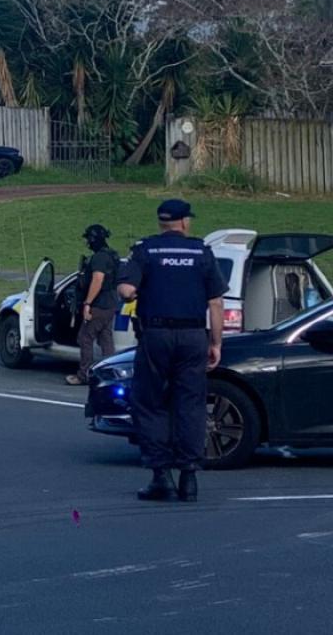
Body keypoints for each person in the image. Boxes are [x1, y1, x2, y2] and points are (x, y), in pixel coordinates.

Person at [117, 200, 227, 503]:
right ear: (184, 222)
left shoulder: (146, 249)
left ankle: (161, 477)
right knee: (190, 404)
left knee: (151, 403)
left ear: (161, 222)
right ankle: (189, 477)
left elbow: (126, 289)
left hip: (156, 335)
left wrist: (131, 290)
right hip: (193, 337)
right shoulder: (201, 251)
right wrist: (215, 343)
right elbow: (216, 302)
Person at [66, 224, 120, 386]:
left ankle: (84, 375)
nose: (87, 243)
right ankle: (111, 373)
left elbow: (97, 279)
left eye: (88, 239)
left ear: (93, 239)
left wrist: (87, 303)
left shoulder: (99, 258)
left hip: (99, 305)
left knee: (85, 338)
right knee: (106, 340)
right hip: (110, 304)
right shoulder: (111, 256)